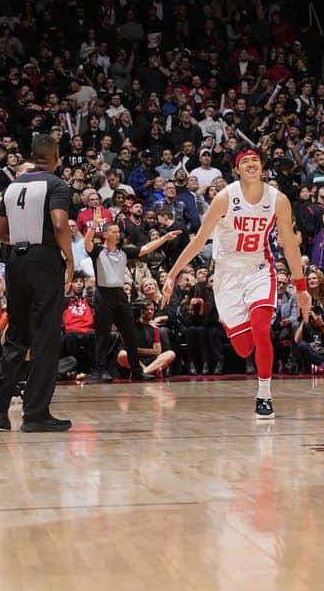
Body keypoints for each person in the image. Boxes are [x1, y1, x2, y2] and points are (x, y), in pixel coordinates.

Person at [162, 148, 311, 419]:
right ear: (237, 168)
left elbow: (289, 245)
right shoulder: (225, 197)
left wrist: (302, 289)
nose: (251, 164)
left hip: (259, 269)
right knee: (244, 347)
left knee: (262, 327)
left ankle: (264, 395)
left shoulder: (278, 200)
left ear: (263, 167)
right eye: (245, 161)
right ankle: (232, 324)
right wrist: (172, 274)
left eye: (255, 160)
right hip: (227, 275)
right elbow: (198, 241)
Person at [0, 134, 74, 433]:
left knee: (17, 336)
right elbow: (60, 224)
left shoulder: (12, 186)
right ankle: (35, 414)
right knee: (46, 338)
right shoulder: (57, 184)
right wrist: (69, 258)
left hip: (16, 261)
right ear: (56, 155)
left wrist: (25, 239)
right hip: (44, 262)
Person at [84, 219, 180, 382]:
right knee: (103, 335)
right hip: (103, 294)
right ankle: (100, 371)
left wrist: (164, 238)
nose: (118, 234)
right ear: (106, 234)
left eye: (118, 231)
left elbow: (145, 249)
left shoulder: (124, 252)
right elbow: (87, 243)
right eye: (114, 231)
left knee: (130, 334)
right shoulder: (98, 251)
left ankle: (137, 371)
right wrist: (93, 226)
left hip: (120, 295)